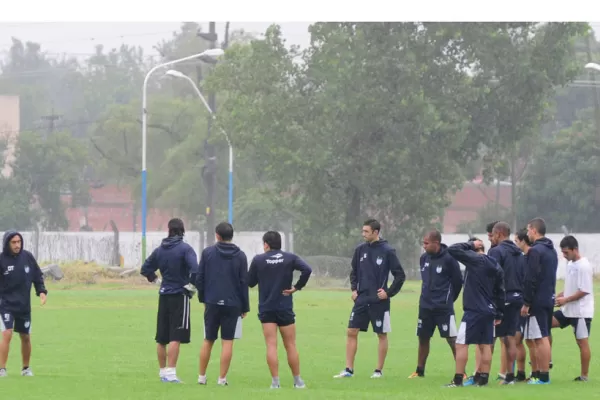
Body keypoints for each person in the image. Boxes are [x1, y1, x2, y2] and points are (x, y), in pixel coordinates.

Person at [334, 219, 406, 379]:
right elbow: (354, 272)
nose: (363, 234)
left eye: (366, 231)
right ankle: (348, 370)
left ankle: (378, 371)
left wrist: (388, 292)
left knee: (381, 334)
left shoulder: (388, 250)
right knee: (351, 331)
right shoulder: (360, 250)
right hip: (361, 299)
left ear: (376, 232)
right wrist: (354, 289)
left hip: (379, 301)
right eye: (363, 231)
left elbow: (400, 275)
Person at [248, 231, 313, 389]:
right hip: (284, 307)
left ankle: (275, 382)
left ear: (266, 244)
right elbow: (307, 270)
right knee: (290, 345)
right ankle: (298, 381)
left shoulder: (258, 260)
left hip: (267, 308)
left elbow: (250, 282)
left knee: (271, 345)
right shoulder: (290, 258)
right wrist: (297, 287)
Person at [140, 218, 199, 383]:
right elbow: (195, 270)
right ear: (182, 230)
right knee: (176, 335)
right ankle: (171, 374)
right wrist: (192, 285)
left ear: (169, 230)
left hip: (164, 294)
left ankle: (162, 373)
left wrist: (155, 280)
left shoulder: (160, 250)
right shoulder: (185, 249)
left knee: (162, 337)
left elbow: (145, 269)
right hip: (179, 295)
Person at [444, 238, 505, 387]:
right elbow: (500, 291)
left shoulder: (474, 259)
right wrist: (499, 313)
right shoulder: (496, 265)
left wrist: (470, 245)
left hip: (474, 310)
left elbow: (452, 249)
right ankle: (483, 379)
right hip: (489, 310)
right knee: (485, 344)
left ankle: (458, 380)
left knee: (461, 343)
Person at [195, 222, 249, 386]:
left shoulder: (207, 253)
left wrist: (203, 298)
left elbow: (200, 278)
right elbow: (243, 283)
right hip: (233, 303)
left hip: (212, 301)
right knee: (227, 341)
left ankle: (202, 377)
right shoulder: (241, 256)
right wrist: (245, 306)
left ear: (217, 235)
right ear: (231, 236)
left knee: (208, 340)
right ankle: (222, 379)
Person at [409, 230, 463, 379]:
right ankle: (419, 371)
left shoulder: (449, 259)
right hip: (425, 306)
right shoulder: (423, 258)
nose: (424, 246)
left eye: (426, 243)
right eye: (423, 243)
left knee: (452, 339)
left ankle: (461, 372)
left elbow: (458, 282)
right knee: (423, 337)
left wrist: (449, 299)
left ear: (436, 243)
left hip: (443, 308)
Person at [0, 230, 48, 377]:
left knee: (25, 336)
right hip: (6, 304)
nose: (17, 245)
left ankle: (26, 369)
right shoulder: (1, 260)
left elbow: (37, 275)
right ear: (7, 243)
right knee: (7, 334)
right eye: (14, 242)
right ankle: (2, 369)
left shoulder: (27, 257)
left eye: (19, 242)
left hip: (23, 306)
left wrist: (41, 291)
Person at [487, 222, 526, 385]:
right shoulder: (519, 252)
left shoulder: (496, 252)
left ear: (500, 234)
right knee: (510, 338)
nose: (492, 238)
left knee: (489, 338)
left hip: (502, 299)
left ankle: (482, 376)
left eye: (493, 234)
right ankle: (510, 376)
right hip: (518, 298)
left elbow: (491, 276)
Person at [521, 217, 558, 385]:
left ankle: (543, 377)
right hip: (548, 297)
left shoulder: (535, 251)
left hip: (537, 300)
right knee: (542, 335)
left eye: (528, 230)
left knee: (541, 337)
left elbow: (531, 279)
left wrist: (526, 302)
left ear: (534, 231)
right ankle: (540, 374)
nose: (527, 233)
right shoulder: (551, 249)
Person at [552, 235, 593, 382]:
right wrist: (560, 295)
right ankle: (548, 359)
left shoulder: (584, 266)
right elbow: (571, 286)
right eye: (562, 253)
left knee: (582, 343)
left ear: (575, 249)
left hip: (581, 312)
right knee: (545, 323)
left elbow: (584, 290)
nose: (564, 256)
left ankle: (584, 376)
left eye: (566, 252)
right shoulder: (570, 265)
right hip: (567, 310)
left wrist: (566, 299)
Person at [513, 228, 533, 382]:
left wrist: (526, 302)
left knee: (528, 339)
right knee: (520, 339)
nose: (515, 244)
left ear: (523, 241)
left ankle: (537, 372)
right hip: (522, 301)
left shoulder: (529, 257)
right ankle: (521, 373)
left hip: (525, 302)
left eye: (516, 241)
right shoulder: (521, 257)